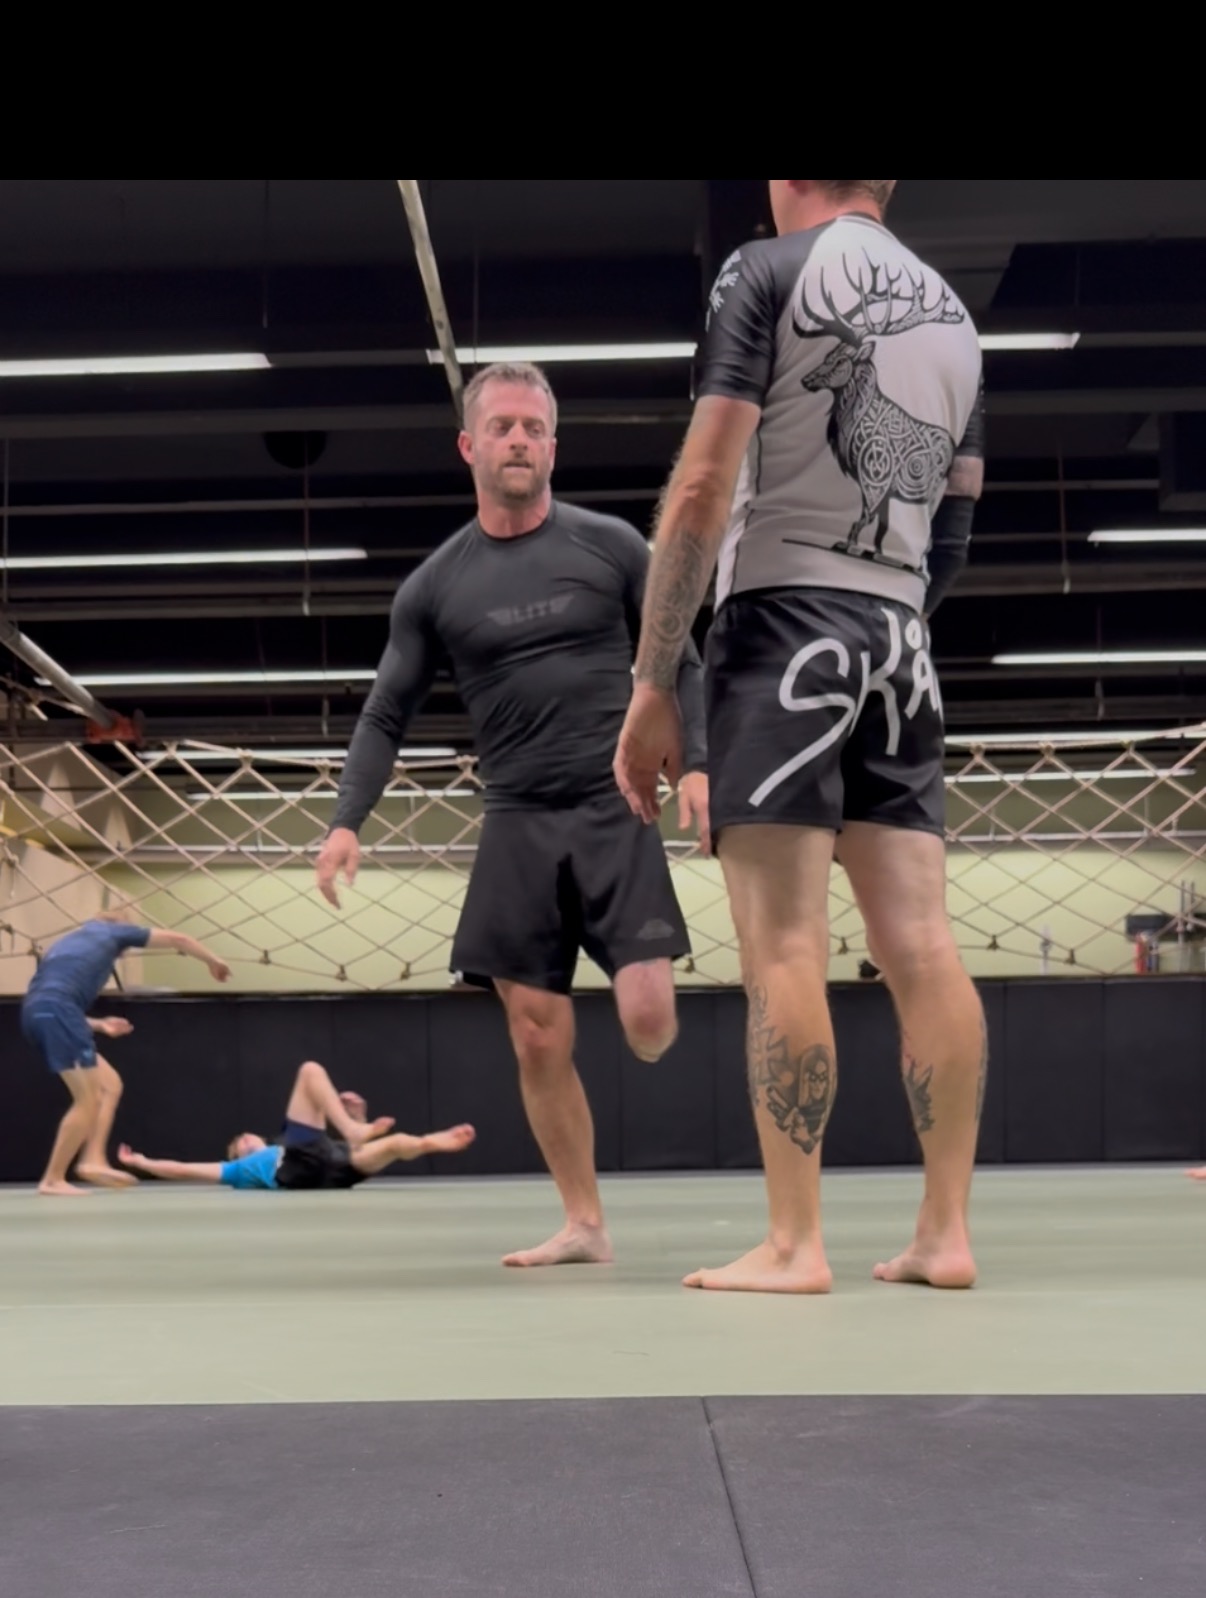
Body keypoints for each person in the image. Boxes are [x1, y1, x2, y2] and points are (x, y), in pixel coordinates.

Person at [614, 180, 987, 1294]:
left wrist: (654, 679)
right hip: (902, 638)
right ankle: (945, 1236)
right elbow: (956, 526)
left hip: (783, 624)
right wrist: (892, 619)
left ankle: (794, 1243)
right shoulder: (957, 317)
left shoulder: (764, 271)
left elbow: (702, 484)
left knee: (783, 942)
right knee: (922, 940)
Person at [315, 361, 710, 1268]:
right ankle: (584, 1223)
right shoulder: (434, 586)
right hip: (517, 818)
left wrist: (697, 763)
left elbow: (681, 659)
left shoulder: (613, 547)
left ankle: (634, 1007)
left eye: (534, 427)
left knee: (650, 1022)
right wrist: (345, 820)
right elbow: (385, 712)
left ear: (554, 447)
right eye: (502, 427)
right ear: (470, 446)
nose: (519, 440)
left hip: (616, 803)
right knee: (535, 1033)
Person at [21, 912, 231, 1196]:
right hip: (58, 1013)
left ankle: (93, 1158)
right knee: (87, 1098)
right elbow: (179, 939)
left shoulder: (69, 943)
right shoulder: (112, 932)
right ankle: (52, 1178)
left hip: (37, 1014)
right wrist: (213, 960)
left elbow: (47, 1002)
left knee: (110, 1084)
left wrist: (100, 1025)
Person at [118, 1057, 476, 1189]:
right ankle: (353, 1128)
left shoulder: (279, 1143)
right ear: (237, 1156)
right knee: (309, 1070)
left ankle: (430, 1142)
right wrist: (144, 1163)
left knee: (397, 1144)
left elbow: (346, 1150)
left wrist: (358, 1117)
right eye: (240, 1145)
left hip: (336, 1168)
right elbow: (183, 1169)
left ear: (262, 1138)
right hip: (297, 1167)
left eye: (247, 1137)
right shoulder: (239, 1172)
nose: (245, 1141)